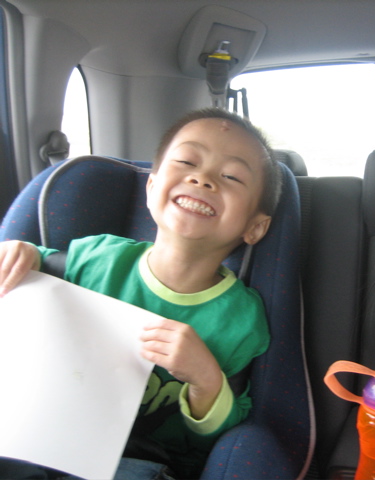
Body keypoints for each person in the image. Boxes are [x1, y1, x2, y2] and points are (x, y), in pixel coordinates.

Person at [0, 107, 283, 479]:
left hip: (141, 460)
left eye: (231, 176)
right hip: (37, 433)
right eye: (186, 161)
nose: (203, 179)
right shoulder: (93, 256)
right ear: (151, 187)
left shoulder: (241, 319)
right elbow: (39, 272)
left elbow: (221, 437)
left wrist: (206, 379)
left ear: (255, 227)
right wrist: (23, 254)